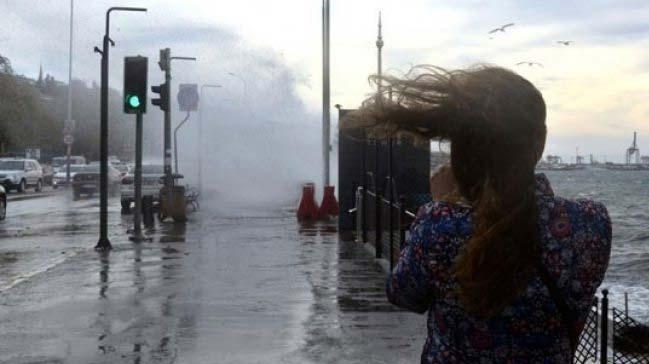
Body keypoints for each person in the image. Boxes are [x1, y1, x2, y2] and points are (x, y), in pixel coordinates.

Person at [349, 65, 612, 363]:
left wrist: (441, 204)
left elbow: (403, 294)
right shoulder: (591, 224)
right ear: (539, 143)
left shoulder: (438, 226)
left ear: (460, 148)